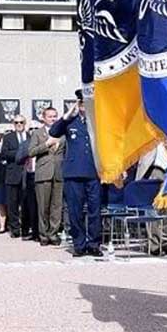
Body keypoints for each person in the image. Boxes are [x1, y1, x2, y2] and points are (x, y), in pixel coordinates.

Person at [52, 96, 100, 257]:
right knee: (75, 211)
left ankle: (94, 244)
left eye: (87, 103)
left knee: (95, 210)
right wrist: (66, 117)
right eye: (82, 103)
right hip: (73, 172)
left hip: (94, 172)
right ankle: (79, 245)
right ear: (78, 105)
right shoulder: (70, 122)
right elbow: (54, 132)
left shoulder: (97, 121)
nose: (84, 106)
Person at [29, 107, 65, 246]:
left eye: (55, 116)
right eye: (50, 116)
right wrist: (46, 144)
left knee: (57, 206)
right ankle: (43, 234)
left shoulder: (63, 133)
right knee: (43, 207)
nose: (53, 119)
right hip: (43, 174)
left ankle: (53, 234)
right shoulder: (38, 133)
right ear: (43, 118)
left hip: (59, 173)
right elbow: (31, 151)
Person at [1, 117, 31, 239]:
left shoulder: (30, 136)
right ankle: (14, 229)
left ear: (25, 124)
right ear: (13, 124)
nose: (19, 124)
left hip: (27, 173)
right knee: (12, 203)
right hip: (12, 174)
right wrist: (21, 152)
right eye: (16, 122)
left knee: (27, 203)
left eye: (21, 122)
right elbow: (4, 153)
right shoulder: (8, 137)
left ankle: (25, 229)